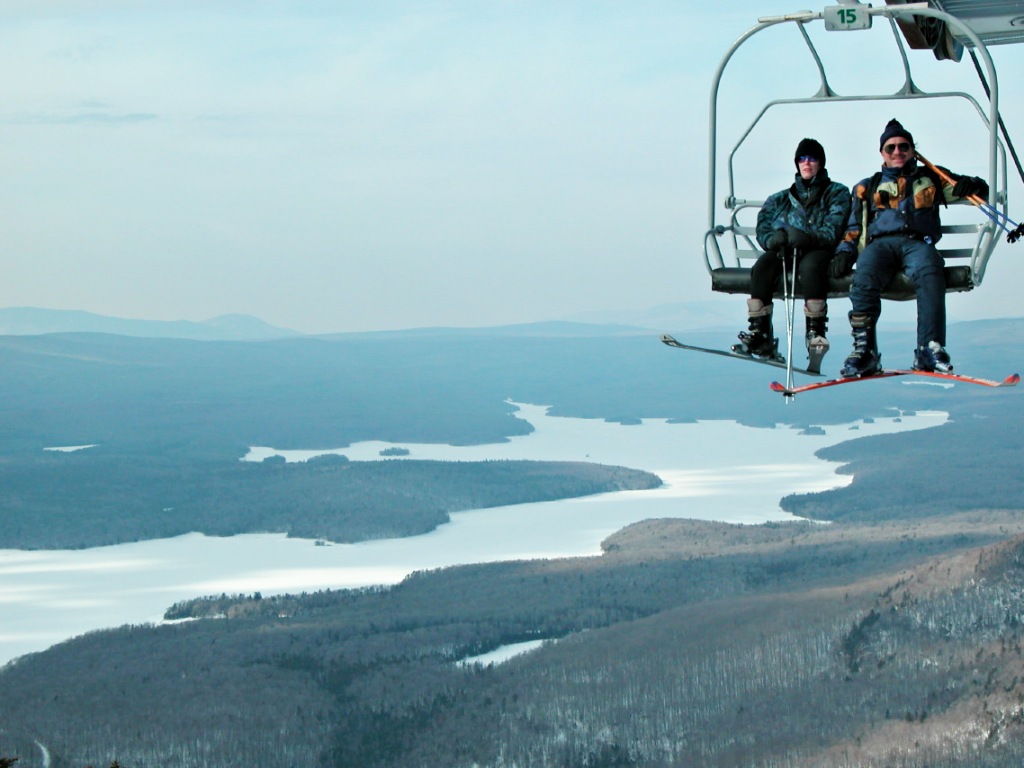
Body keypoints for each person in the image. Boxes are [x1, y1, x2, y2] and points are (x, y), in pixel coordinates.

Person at [830, 118, 988, 377]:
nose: (897, 152)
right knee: (865, 276)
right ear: (882, 153)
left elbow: (975, 194)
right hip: (881, 244)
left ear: (913, 150)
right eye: (890, 148)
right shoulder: (867, 186)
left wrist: (973, 184)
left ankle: (929, 346)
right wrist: (845, 251)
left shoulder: (932, 179)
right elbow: (854, 225)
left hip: (917, 242)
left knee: (929, 271)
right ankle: (864, 350)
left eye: (903, 146)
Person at [733, 138, 851, 363]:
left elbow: (834, 228)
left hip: (818, 249)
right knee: (763, 267)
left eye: (812, 159)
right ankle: (760, 332)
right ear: (796, 163)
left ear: (821, 162)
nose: (807, 164)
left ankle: (815, 332)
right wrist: (771, 240)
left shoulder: (836, 192)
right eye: (802, 159)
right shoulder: (780, 199)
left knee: (812, 267)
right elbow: (763, 227)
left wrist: (808, 237)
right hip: (786, 249)